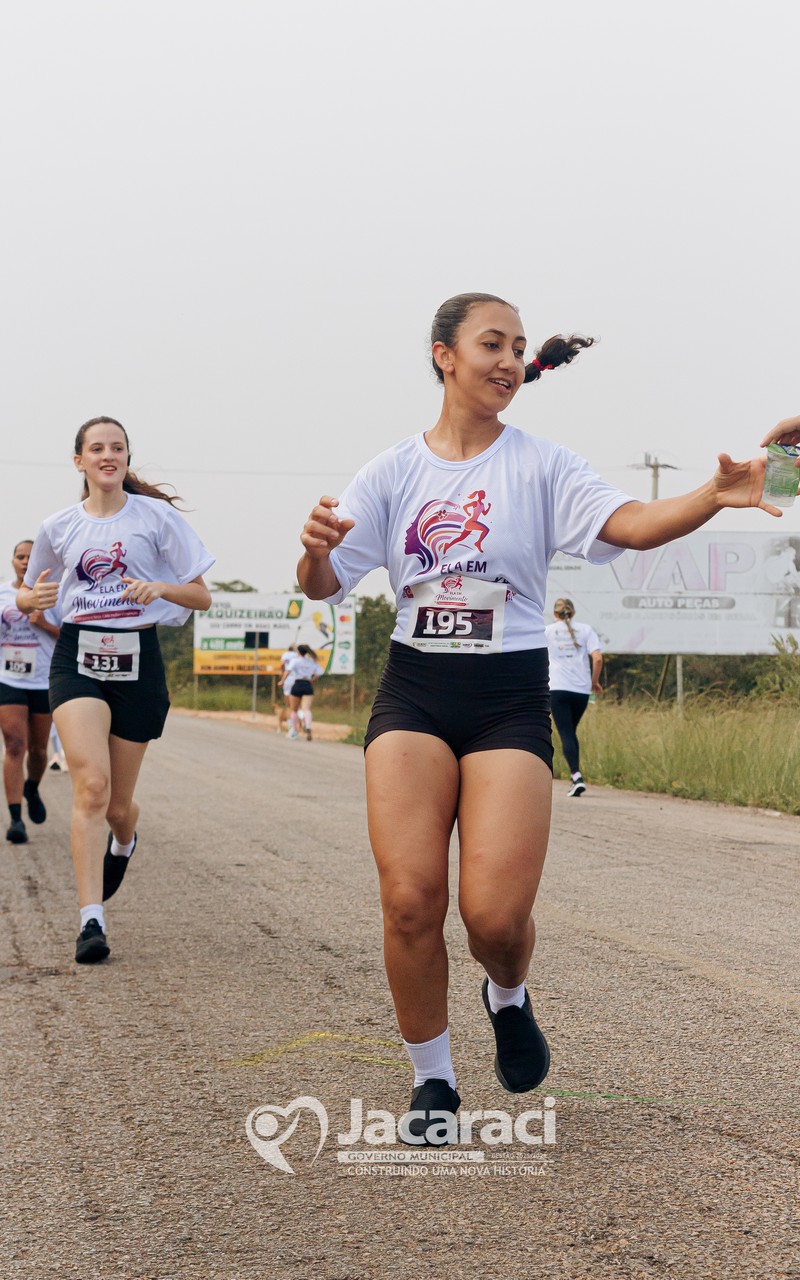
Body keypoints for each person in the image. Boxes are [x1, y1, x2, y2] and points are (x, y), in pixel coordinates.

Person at [298, 291, 791, 1144]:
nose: (509, 360)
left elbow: (633, 525)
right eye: (492, 343)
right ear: (444, 354)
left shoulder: (544, 465)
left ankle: (508, 994)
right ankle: (433, 1080)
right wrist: (313, 552)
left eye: (519, 347)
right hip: (415, 689)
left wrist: (714, 493)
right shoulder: (390, 472)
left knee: (494, 919)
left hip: (508, 695)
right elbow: (322, 584)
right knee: (411, 900)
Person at [17, 416, 214, 964]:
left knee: (118, 807)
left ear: (127, 458)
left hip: (138, 658)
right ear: (78, 460)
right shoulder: (58, 526)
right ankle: (91, 920)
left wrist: (161, 587)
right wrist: (32, 600)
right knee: (92, 787)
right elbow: (30, 595)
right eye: (97, 448)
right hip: (77, 656)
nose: (109, 455)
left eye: (118, 447)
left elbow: (202, 597)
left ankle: (124, 840)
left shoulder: (155, 518)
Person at [0, 540, 60, 843]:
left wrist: (46, 624)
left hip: (43, 680)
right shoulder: (2, 595)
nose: (25, 561)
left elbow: (72, 637)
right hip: (9, 679)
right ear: (12, 561)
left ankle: (32, 788)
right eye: (19, 556)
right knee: (14, 745)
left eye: (30, 556)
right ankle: (15, 820)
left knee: (38, 751)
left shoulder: (55, 593)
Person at [545, 598, 602, 797]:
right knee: (570, 732)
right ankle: (575, 776)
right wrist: (594, 682)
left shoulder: (547, 631)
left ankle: (577, 777)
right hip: (581, 691)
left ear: (555, 614)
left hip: (557, 689)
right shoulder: (586, 630)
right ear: (573, 612)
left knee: (567, 733)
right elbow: (597, 658)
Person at [285, 643, 323, 740]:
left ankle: (294, 731)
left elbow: (288, 670)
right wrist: (312, 680)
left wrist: (282, 681)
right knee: (306, 709)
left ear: (298, 651)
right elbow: (320, 672)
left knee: (294, 709)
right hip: (307, 685)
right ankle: (308, 725)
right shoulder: (312, 661)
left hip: (297, 684)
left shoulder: (295, 660)